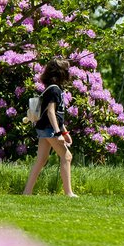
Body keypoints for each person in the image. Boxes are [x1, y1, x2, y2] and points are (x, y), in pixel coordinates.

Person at [23, 57, 78, 197]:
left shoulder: (51, 89)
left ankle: (27, 192)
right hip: (49, 129)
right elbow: (51, 112)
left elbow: (58, 114)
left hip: (44, 128)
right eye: (66, 70)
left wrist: (65, 131)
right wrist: (58, 133)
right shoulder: (54, 90)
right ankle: (69, 193)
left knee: (41, 159)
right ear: (60, 73)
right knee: (67, 156)